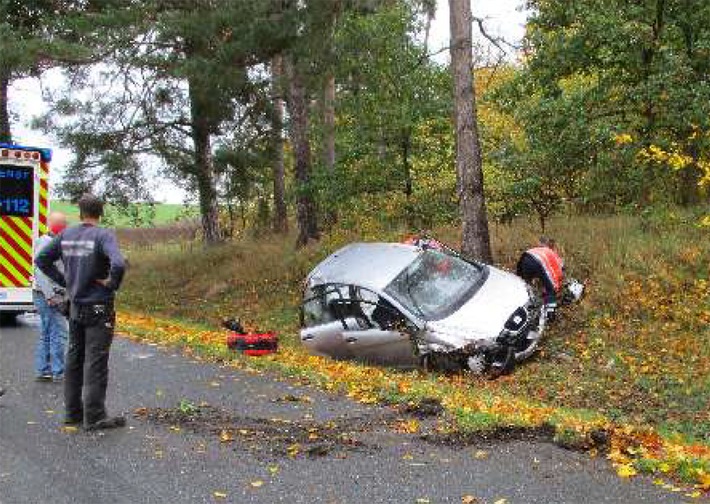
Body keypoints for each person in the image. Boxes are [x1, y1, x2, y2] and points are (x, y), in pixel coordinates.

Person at [36, 194, 127, 430]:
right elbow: (118, 263)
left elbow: (42, 259)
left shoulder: (67, 234)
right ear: (101, 213)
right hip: (99, 307)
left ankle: (72, 412)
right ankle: (95, 416)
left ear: (79, 213)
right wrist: (111, 284)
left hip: (75, 306)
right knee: (96, 361)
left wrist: (65, 281)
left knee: (74, 358)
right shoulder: (103, 235)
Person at [33, 211, 69, 382]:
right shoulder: (46, 242)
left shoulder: (49, 241)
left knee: (48, 332)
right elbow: (39, 270)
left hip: (47, 293)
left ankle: (44, 369)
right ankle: (58, 372)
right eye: (63, 225)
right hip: (48, 294)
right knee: (59, 333)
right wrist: (50, 295)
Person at [516, 237, 565, 320]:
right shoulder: (554, 256)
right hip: (538, 262)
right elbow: (556, 274)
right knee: (551, 289)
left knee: (523, 284)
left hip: (525, 259)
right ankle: (550, 316)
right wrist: (556, 286)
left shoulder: (540, 249)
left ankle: (523, 305)